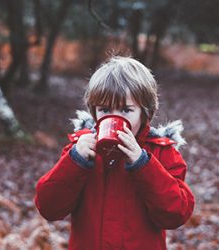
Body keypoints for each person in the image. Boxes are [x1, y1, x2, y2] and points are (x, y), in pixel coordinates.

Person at [35, 56, 195, 249]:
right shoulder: (81, 150)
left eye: (126, 110)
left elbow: (175, 214)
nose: (114, 118)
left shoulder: (161, 153)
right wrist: (75, 161)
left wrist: (143, 164)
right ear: (94, 112)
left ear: (146, 113)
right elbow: (48, 208)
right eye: (105, 109)